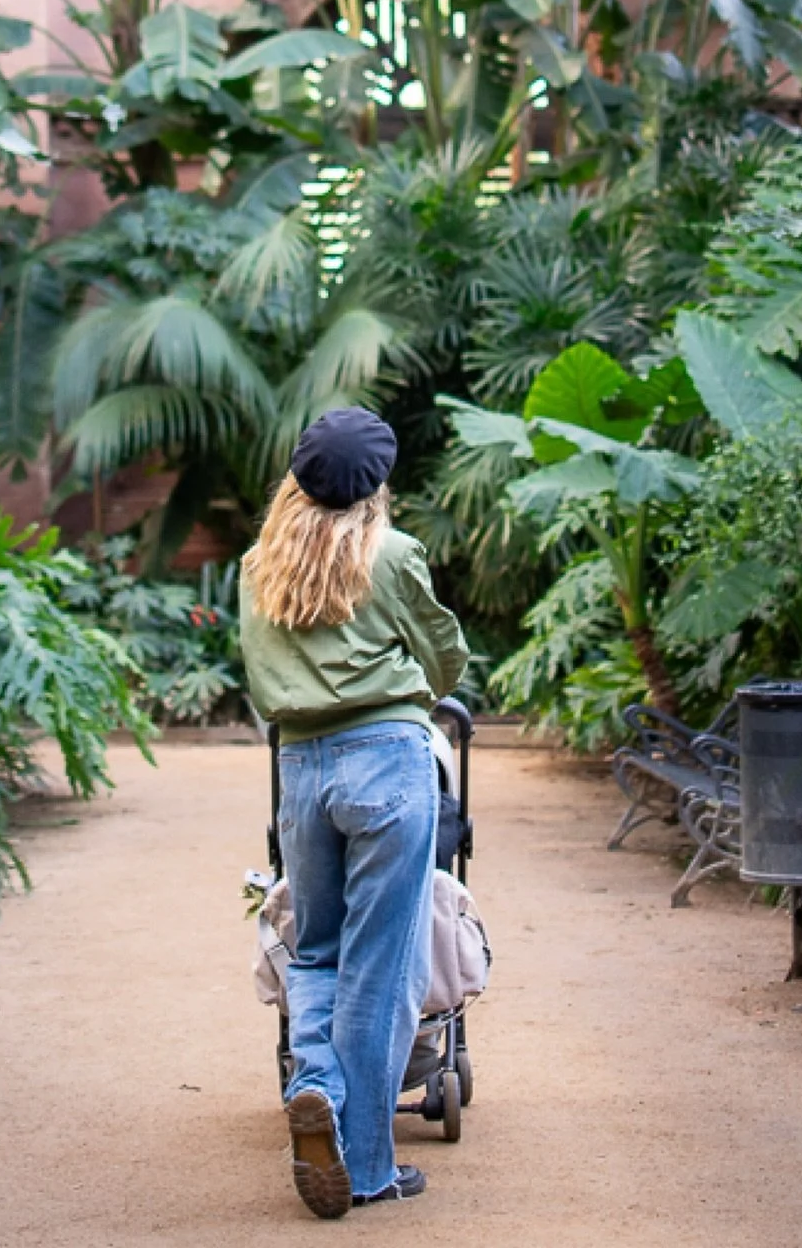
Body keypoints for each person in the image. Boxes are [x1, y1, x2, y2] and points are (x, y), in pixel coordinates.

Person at [240, 407, 469, 1220]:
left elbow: (260, 681)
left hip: (301, 769)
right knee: (381, 969)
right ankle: (368, 1167)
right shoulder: (394, 556)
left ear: (295, 481)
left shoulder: (258, 566)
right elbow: (447, 661)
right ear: (377, 486)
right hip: (388, 763)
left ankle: (313, 1085)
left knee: (316, 953)